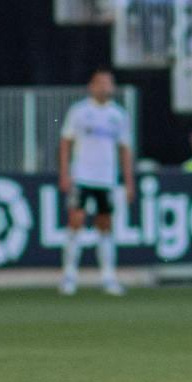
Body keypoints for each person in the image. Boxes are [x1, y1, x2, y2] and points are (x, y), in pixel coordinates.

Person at [58, 70, 136, 296]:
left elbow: (125, 150)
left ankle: (108, 276)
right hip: (82, 176)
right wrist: (64, 172)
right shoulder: (80, 111)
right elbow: (66, 142)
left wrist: (128, 182)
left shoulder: (118, 115)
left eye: (108, 84)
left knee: (105, 225)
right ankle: (69, 275)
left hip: (106, 179)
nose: (104, 87)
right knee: (76, 221)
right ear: (91, 86)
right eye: (100, 83)